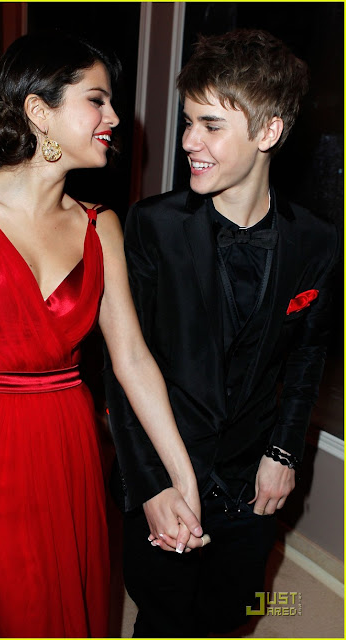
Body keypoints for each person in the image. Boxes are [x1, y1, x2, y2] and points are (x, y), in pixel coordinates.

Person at [0, 32, 205, 638]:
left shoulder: (101, 225)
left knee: (72, 606)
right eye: (97, 100)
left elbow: (132, 358)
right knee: (3, 612)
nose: (114, 118)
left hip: (69, 445)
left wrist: (182, 476)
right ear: (39, 111)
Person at [104, 28, 340, 637]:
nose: (189, 141)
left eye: (210, 125)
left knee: (232, 618)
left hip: (253, 484)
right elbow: (123, 365)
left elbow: (308, 355)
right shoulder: (152, 225)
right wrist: (151, 487)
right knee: (162, 621)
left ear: (268, 132)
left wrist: (284, 453)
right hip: (166, 478)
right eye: (188, 123)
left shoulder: (318, 242)